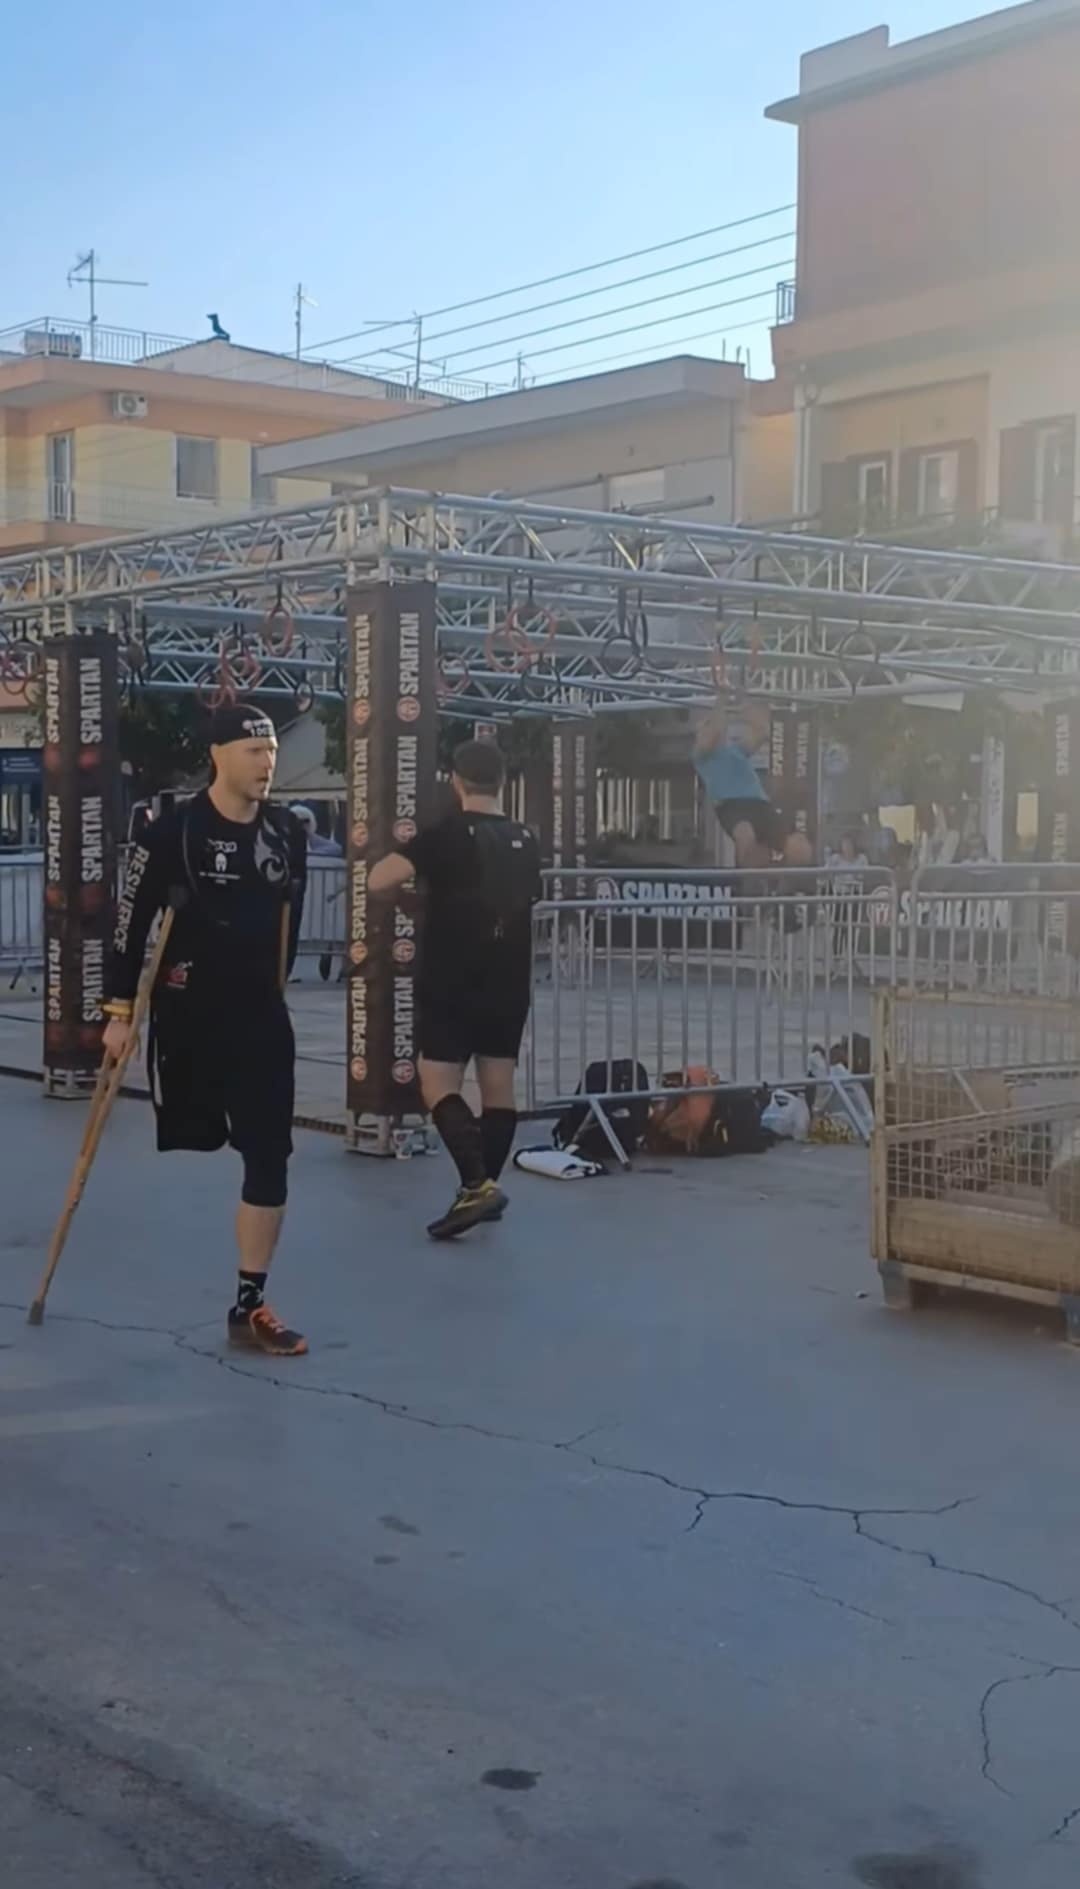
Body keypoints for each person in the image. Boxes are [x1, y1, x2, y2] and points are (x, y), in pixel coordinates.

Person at [102, 704, 309, 1357]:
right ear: (218, 755)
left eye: (271, 751)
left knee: (270, 1152)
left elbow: (292, 917)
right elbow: (129, 925)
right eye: (254, 751)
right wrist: (119, 1013)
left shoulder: (285, 832)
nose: (267, 763)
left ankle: (250, 1301)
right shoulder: (172, 833)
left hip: (259, 1014)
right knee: (196, 1129)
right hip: (189, 1013)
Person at [369, 739, 542, 1240]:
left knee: (437, 1082)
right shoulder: (525, 838)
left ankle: (475, 1185)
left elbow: (380, 878)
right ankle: (486, 1188)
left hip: (453, 975)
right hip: (510, 977)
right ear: (503, 781)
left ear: (456, 781)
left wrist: (416, 890)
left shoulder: (444, 834)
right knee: (498, 1086)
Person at [693, 701, 813, 870]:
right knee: (745, 836)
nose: (710, 731)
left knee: (798, 847)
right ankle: (749, 877)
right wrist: (722, 699)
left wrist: (751, 716)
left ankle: (790, 876)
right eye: (705, 728)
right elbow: (713, 732)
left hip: (758, 804)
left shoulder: (735, 750)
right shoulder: (701, 755)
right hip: (731, 806)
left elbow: (761, 733)